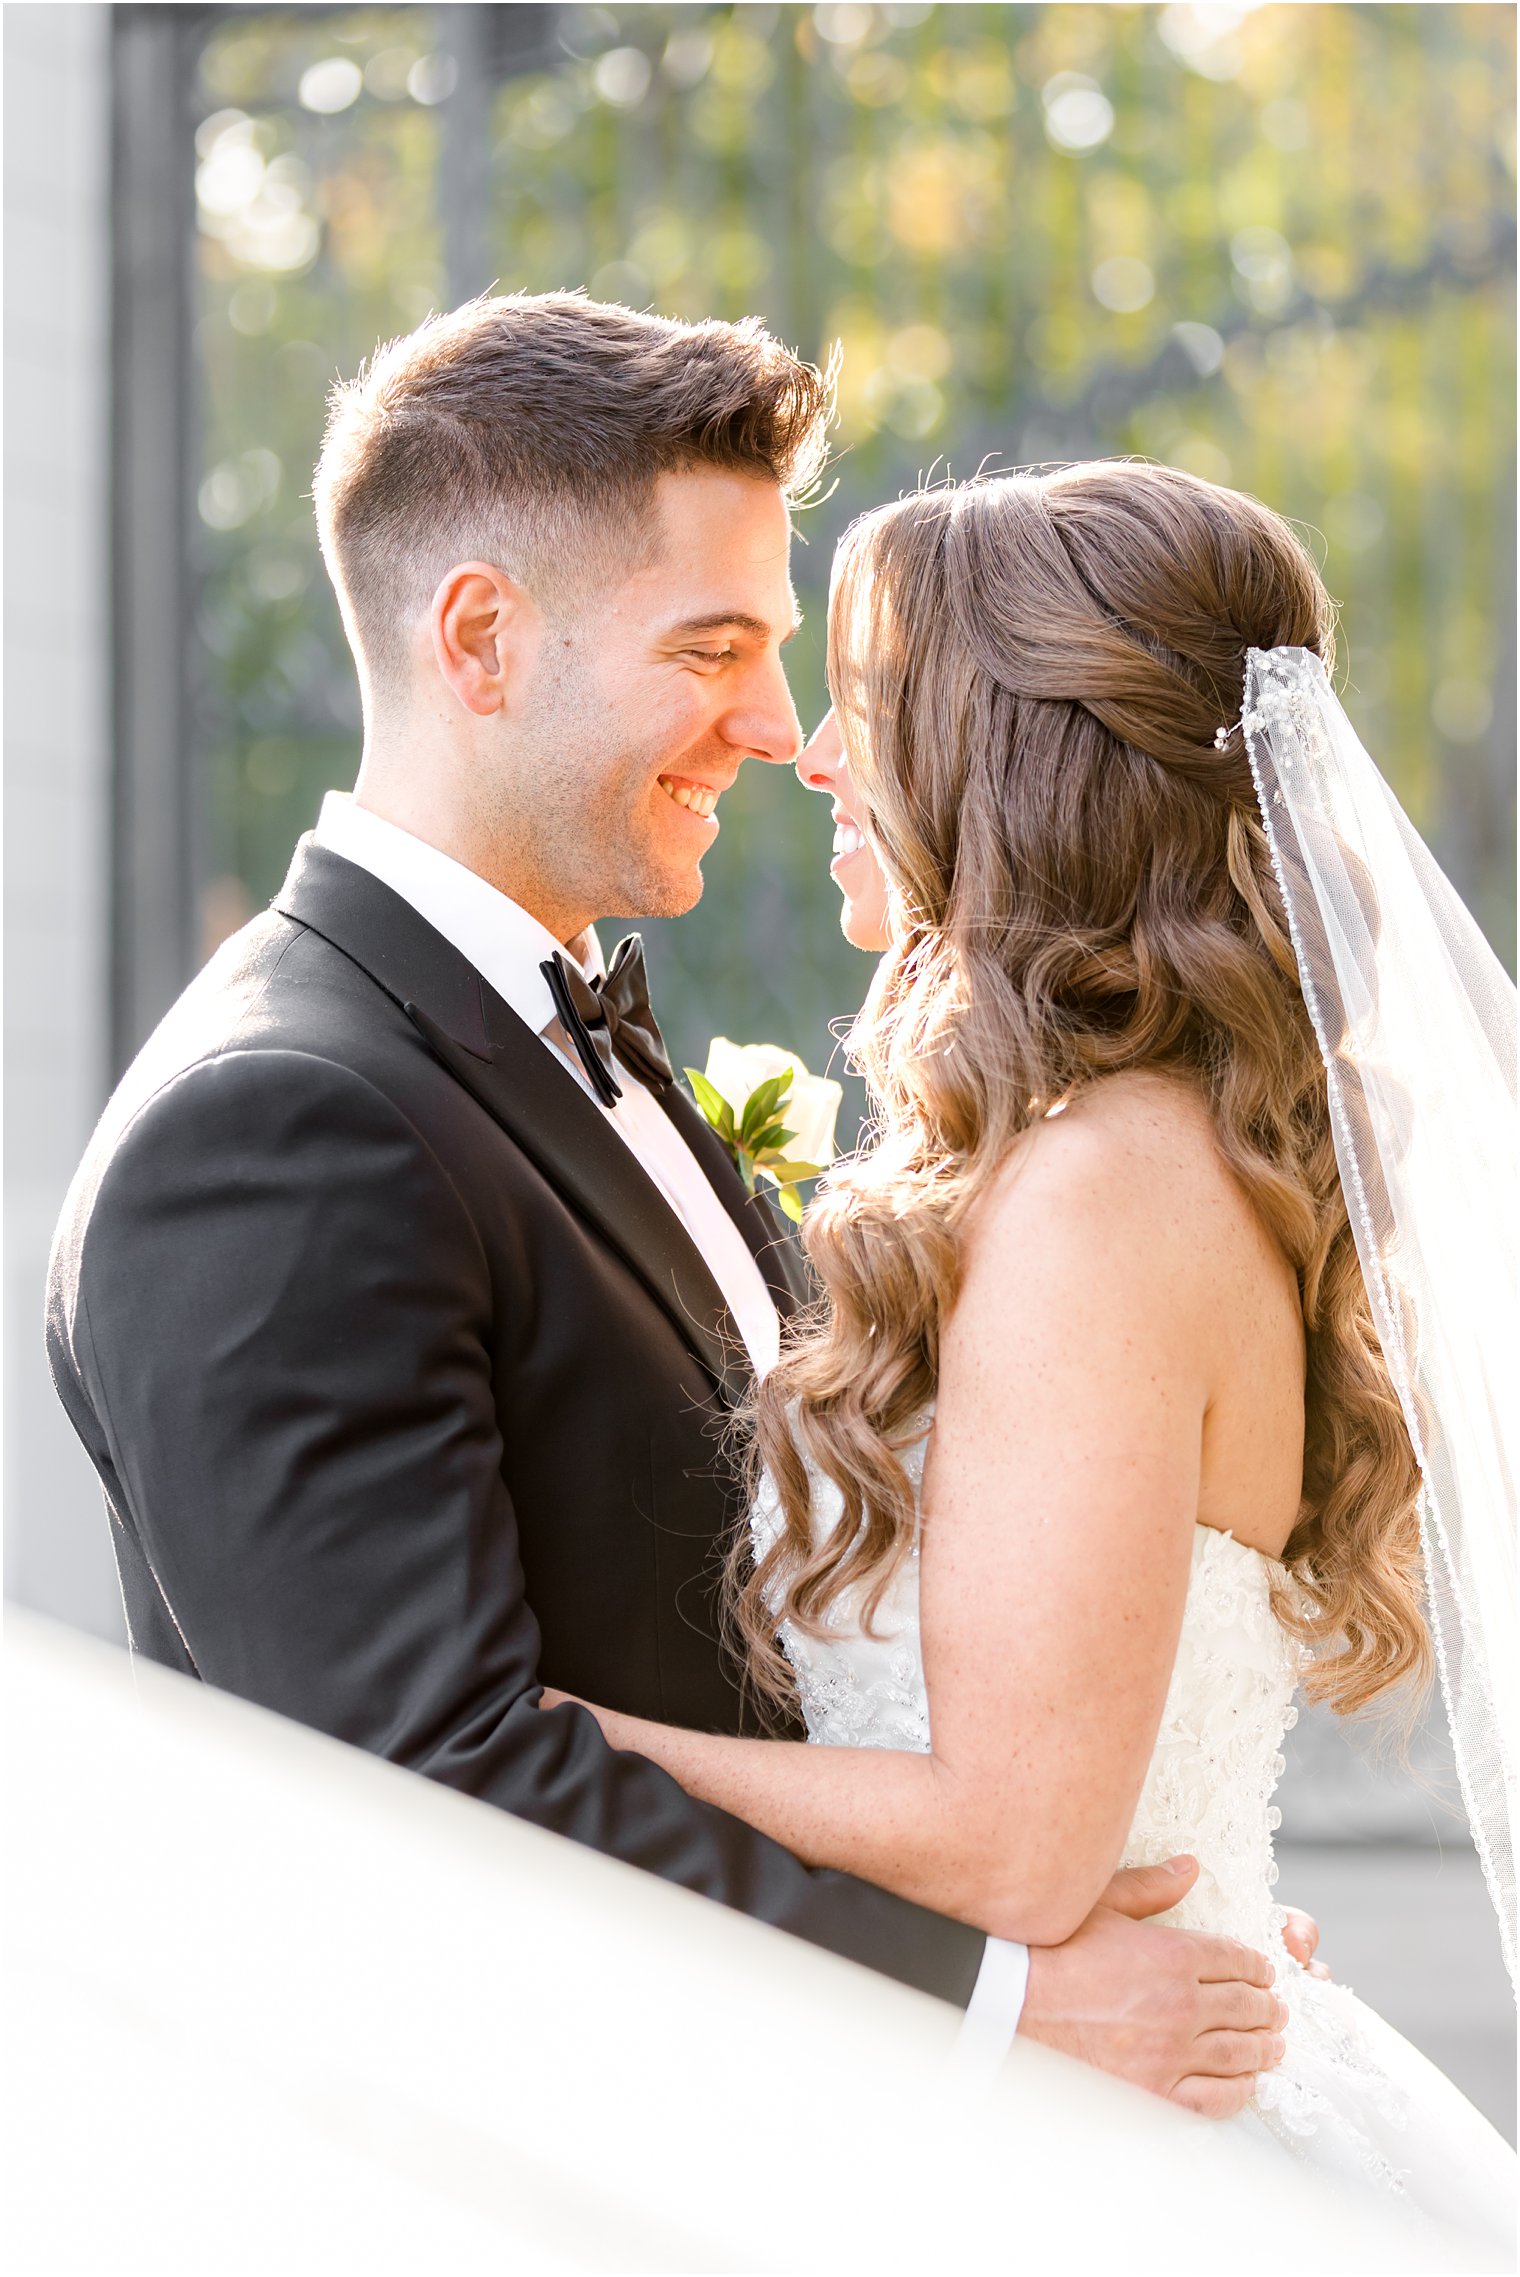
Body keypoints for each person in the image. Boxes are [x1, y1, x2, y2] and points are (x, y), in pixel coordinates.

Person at [43, 297, 1289, 2113]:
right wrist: (998, 1999)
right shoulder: (273, 1130)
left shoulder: (567, 1043)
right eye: (713, 647)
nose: (783, 727)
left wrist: (1137, 1875)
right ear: (482, 639)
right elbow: (413, 1787)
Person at [545, 464, 1517, 2247]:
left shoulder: (1097, 1194)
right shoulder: (1142, 1152)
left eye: (874, 705)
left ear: (1014, 766)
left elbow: (1014, 1848)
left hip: (1084, 2156)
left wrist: (555, 1744)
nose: (816, 756)